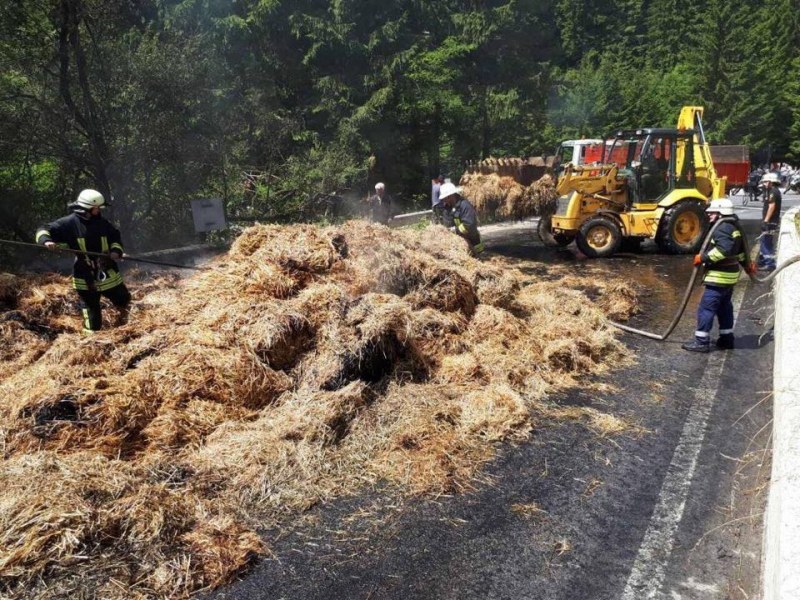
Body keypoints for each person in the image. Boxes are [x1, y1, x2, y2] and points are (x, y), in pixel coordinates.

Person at [36, 189, 131, 333]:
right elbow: (43, 229)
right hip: (85, 276)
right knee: (92, 314)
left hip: (108, 271)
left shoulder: (102, 223)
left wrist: (116, 252)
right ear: (86, 208)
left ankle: (126, 327)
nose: (99, 211)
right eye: (96, 208)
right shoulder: (68, 223)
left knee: (124, 300)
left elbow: (115, 238)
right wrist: (47, 241)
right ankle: (91, 341)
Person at [682, 197, 752, 353]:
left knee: (706, 309)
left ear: (721, 213)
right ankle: (726, 339)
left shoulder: (722, 228)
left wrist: (704, 258)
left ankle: (701, 342)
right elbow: (740, 252)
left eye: (713, 213)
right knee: (724, 308)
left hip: (718, 277)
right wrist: (747, 266)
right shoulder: (734, 226)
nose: (709, 215)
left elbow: (723, 249)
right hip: (730, 277)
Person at [438, 182, 485, 256]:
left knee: (478, 261)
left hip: (472, 243)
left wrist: (455, 230)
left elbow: (469, 225)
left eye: (444, 198)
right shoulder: (448, 208)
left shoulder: (465, 206)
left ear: (449, 196)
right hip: (459, 243)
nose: (443, 200)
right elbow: (447, 223)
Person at [757, 172, 782, 272]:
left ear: (771, 182)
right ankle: (763, 260)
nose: (764, 184)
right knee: (763, 240)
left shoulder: (773, 191)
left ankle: (770, 263)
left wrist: (766, 221)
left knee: (766, 242)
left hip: (771, 222)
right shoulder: (772, 191)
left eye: (765, 182)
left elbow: (772, 206)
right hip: (770, 221)